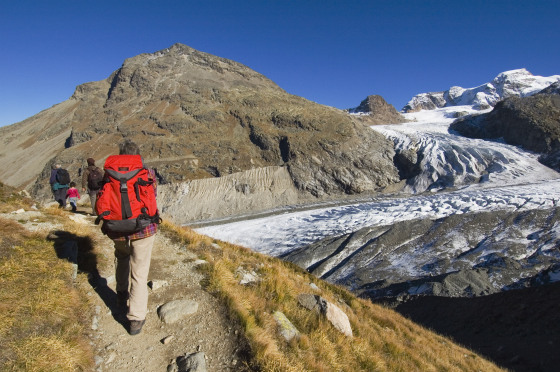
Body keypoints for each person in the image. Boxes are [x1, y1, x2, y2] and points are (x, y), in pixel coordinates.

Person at [103, 140, 158, 336]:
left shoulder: (109, 173)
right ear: (138, 155)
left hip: (117, 229)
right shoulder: (147, 172)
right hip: (143, 229)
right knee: (140, 272)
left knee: (122, 259)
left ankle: (120, 295)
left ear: (120, 154)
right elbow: (153, 196)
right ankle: (135, 319)